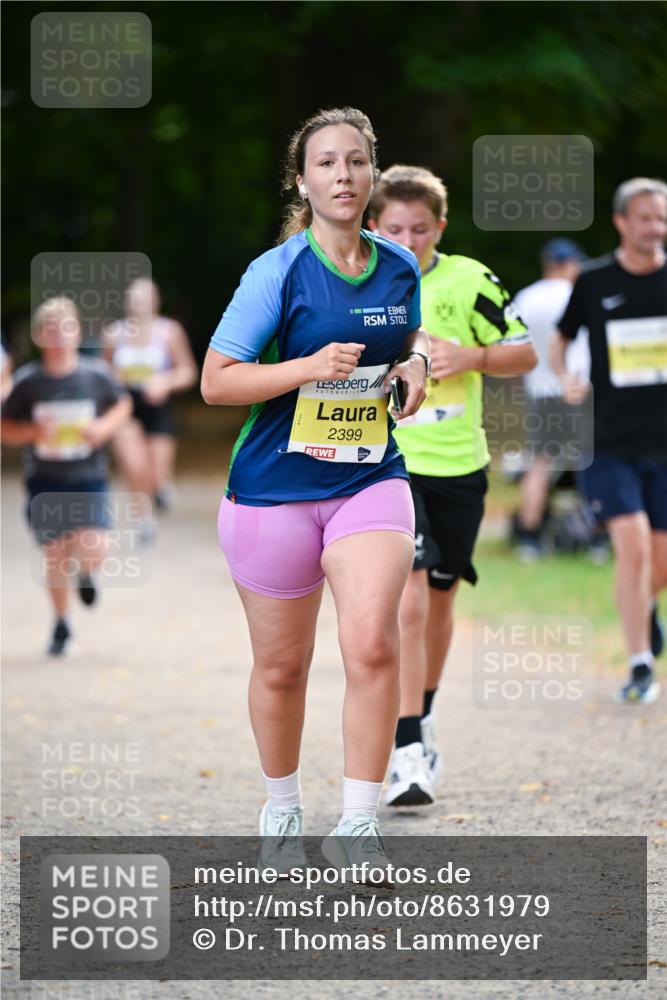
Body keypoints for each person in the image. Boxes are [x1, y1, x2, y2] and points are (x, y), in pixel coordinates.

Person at [201, 108, 429, 874]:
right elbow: (216, 382)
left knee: (371, 642)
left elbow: (409, 342)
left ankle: (357, 825)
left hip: (369, 478)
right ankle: (281, 811)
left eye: (356, 162)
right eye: (326, 163)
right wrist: (306, 368)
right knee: (281, 668)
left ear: (371, 175)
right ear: (303, 180)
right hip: (273, 491)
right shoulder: (277, 272)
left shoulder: (398, 267)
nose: (342, 174)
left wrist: (416, 368)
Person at [368, 165, 537, 806]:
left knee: (439, 603)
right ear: (373, 227)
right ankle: (406, 747)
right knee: (407, 601)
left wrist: (472, 357)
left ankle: (423, 712)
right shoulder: (363, 284)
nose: (407, 241)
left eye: (419, 230)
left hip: (459, 465)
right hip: (387, 462)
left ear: (439, 227)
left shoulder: (470, 280)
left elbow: (523, 351)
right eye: (393, 229)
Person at [551, 177, 667, 704]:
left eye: (661, 218)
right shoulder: (595, 280)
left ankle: (644, 607)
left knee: (658, 562)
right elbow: (560, 341)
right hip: (609, 441)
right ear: (622, 221)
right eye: (644, 217)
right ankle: (640, 663)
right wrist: (567, 378)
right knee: (634, 545)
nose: (654, 228)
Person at [1, 297, 132, 655]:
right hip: (44, 481)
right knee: (55, 554)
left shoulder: (95, 375)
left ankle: (87, 572)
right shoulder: (28, 382)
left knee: (96, 547)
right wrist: (32, 433)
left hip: (88, 477)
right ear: (39, 335)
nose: (58, 335)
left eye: (65, 327)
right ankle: (61, 624)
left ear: (77, 332)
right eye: (50, 328)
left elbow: (123, 404)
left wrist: (103, 428)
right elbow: (5, 428)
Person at [512, 239, 586, 561]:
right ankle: (593, 536)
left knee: (540, 462)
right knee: (587, 461)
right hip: (578, 388)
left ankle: (530, 536)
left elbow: (514, 348)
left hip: (540, 391)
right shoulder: (577, 294)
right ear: (569, 264)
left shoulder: (526, 297)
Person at [103, 277, 198, 527]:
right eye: (134, 299)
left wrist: (164, 383)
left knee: (157, 472)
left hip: (157, 405)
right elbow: (102, 373)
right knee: (135, 465)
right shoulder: (114, 334)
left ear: (156, 301)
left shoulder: (169, 331)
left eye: (144, 299)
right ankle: (143, 518)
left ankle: (160, 488)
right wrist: (116, 378)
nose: (139, 304)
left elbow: (188, 371)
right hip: (125, 405)